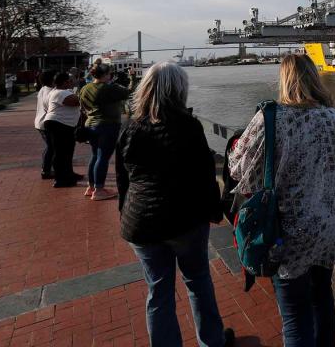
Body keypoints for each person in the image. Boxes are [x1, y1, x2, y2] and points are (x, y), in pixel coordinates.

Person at [228, 53, 335, 347]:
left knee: (295, 316)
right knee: (322, 299)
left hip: (289, 234)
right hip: (329, 228)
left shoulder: (271, 117)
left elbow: (237, 167)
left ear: (284, 80)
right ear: (314, 78)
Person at [116, 62, 232, 347]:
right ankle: (212, 341)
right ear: (180, 90)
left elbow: (123, 179)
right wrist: (215, 210)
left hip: (140, 222)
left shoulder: (130, 127)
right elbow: (205, 175)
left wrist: (126, 211)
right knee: (198, 282)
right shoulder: (188, 126)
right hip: (185, 220)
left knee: (158, 290)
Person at [78, 62, 132, 201]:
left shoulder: (85, 88)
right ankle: (99, 191)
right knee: (103, 158)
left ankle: (91, 187)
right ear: (106, 74)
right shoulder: (109, 88)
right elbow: (129, 92)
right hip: (107, 126)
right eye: (109, 73)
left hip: (91, 125)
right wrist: (133, 78)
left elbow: (82, 107)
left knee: (95, 156)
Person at [43, 72, 82, 187]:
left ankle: (68, 174)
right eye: (70, 80)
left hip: (64, 125)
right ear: (65, 82)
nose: (72, 82)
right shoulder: (61, 93)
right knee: (60, 153)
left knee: (67, 152)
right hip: (58, 125)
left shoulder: (58, 92)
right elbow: (77, 101)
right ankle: (60, 179)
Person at [34, 70, 56, 180]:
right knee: (51, 147)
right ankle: (46, 170)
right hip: (45, 123)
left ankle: (47, 168)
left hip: (40, 122)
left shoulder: (43, 89)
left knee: (50, 147)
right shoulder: (50, 92)